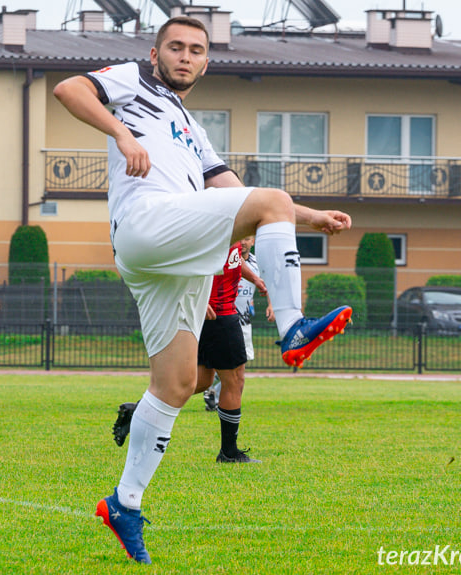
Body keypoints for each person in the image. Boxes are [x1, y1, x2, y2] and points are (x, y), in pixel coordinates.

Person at [54, 16, 352, 564]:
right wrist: (120, 134)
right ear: (154, 53)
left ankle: (124, 503)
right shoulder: (132, 83)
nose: (185, 56)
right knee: (272, 199)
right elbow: (68, 89)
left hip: (171, 256)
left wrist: (308, 217)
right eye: (176, 47)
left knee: (177, 383)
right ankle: (293, 329)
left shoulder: (191, 127)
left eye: (196, 49)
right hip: (147, 223)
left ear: (207, 61)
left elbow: (236, 191)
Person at [113, 240, 269, 464]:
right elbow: (183, 261)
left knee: (201, 381)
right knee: (234, 380)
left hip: (208, 315)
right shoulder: (214, 224)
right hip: (220, 314)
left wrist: (254, 278)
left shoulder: (229, 223)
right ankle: (229, 452)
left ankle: (137, 411)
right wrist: (194, 297)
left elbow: (231, 261)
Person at [203, 235, 272, 411]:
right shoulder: (211, 232)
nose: (242, 241)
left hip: (237, 318)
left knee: (234, 373)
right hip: (212, 314)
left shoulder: (252, 260)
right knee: (199, 381)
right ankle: (146, 406)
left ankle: (217, 401)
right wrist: (195, 299)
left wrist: (256, 280)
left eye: (247, 237)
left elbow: (237, 260)